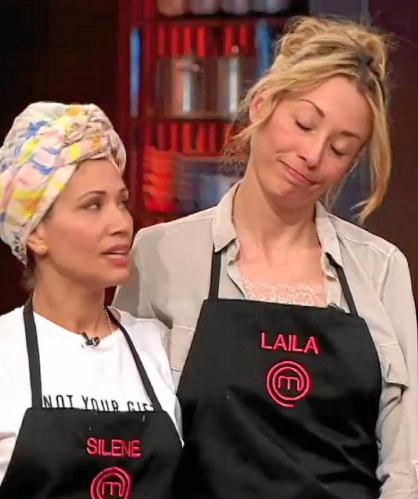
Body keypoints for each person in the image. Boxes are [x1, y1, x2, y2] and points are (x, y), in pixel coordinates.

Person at [114, 16, 418, 499]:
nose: (313, 155)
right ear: (261, 104)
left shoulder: (380, 269)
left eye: (340, 149)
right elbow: (127, 440)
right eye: (304, 124)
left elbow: (406, 464)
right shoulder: (160, 255)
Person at [0, 102, 182, 498]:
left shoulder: (159, 345)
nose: (121, 224)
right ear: (36, 232)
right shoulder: (5, 353)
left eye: (122, 202)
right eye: (93, 205)